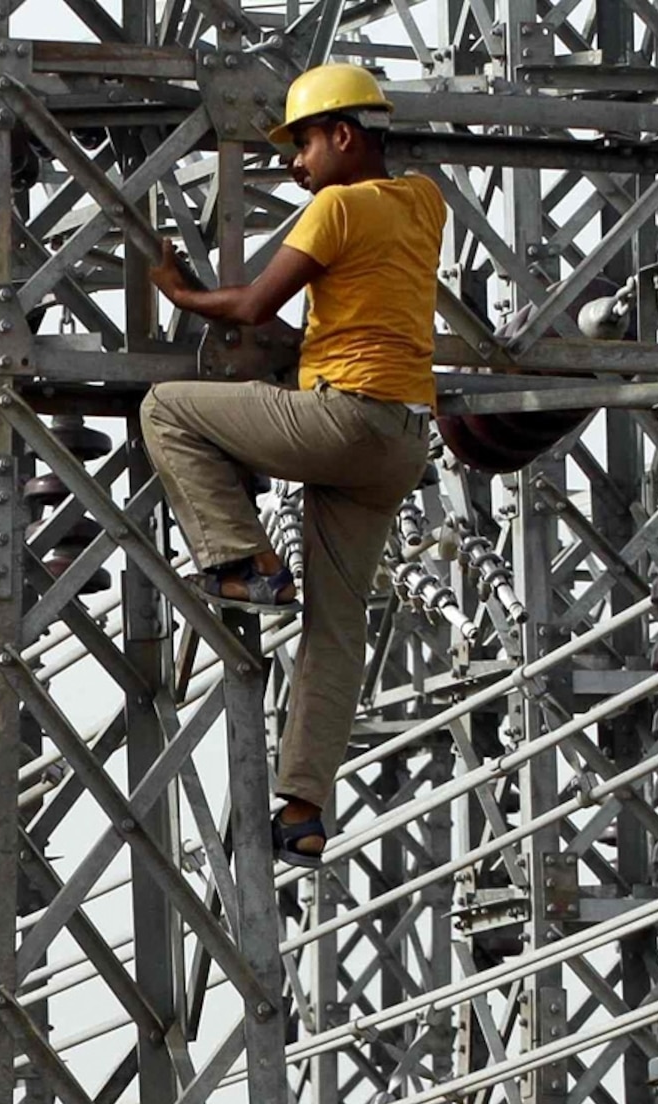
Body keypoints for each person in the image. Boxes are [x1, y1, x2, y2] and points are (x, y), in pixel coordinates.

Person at [140, 63, 445, 867]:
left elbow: (250, 309)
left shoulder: (338, 208)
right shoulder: (423, 202)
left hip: (343, 420)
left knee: (167, 409)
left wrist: (180, 293)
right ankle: (304, 809)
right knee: (337, 628)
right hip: (403, 443)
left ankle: (245, 560)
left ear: (344, 135)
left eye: (304, 143)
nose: (294, 164)